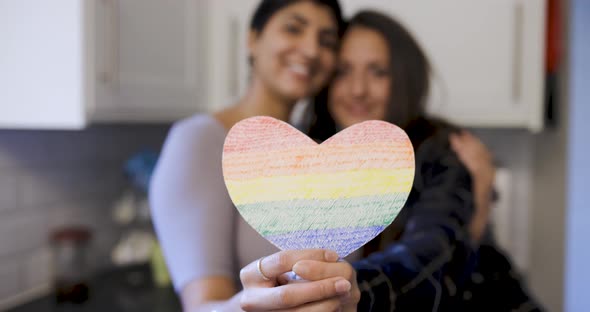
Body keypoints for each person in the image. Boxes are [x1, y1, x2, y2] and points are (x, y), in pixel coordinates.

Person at [239, 10, 542, 311]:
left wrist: (348, 288)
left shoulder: (442, 150)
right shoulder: (312, 159)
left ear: (403, 79)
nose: (358, 89)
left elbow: (431, 255)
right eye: (343, 71)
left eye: (378, 72)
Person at [149, 1, 346, 311]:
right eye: (293, 28)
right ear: (252, 39)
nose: (310, 50)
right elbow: (202, 306)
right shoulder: (201, 140)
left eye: (326, 41)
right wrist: (270, 303)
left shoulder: (319, 152)